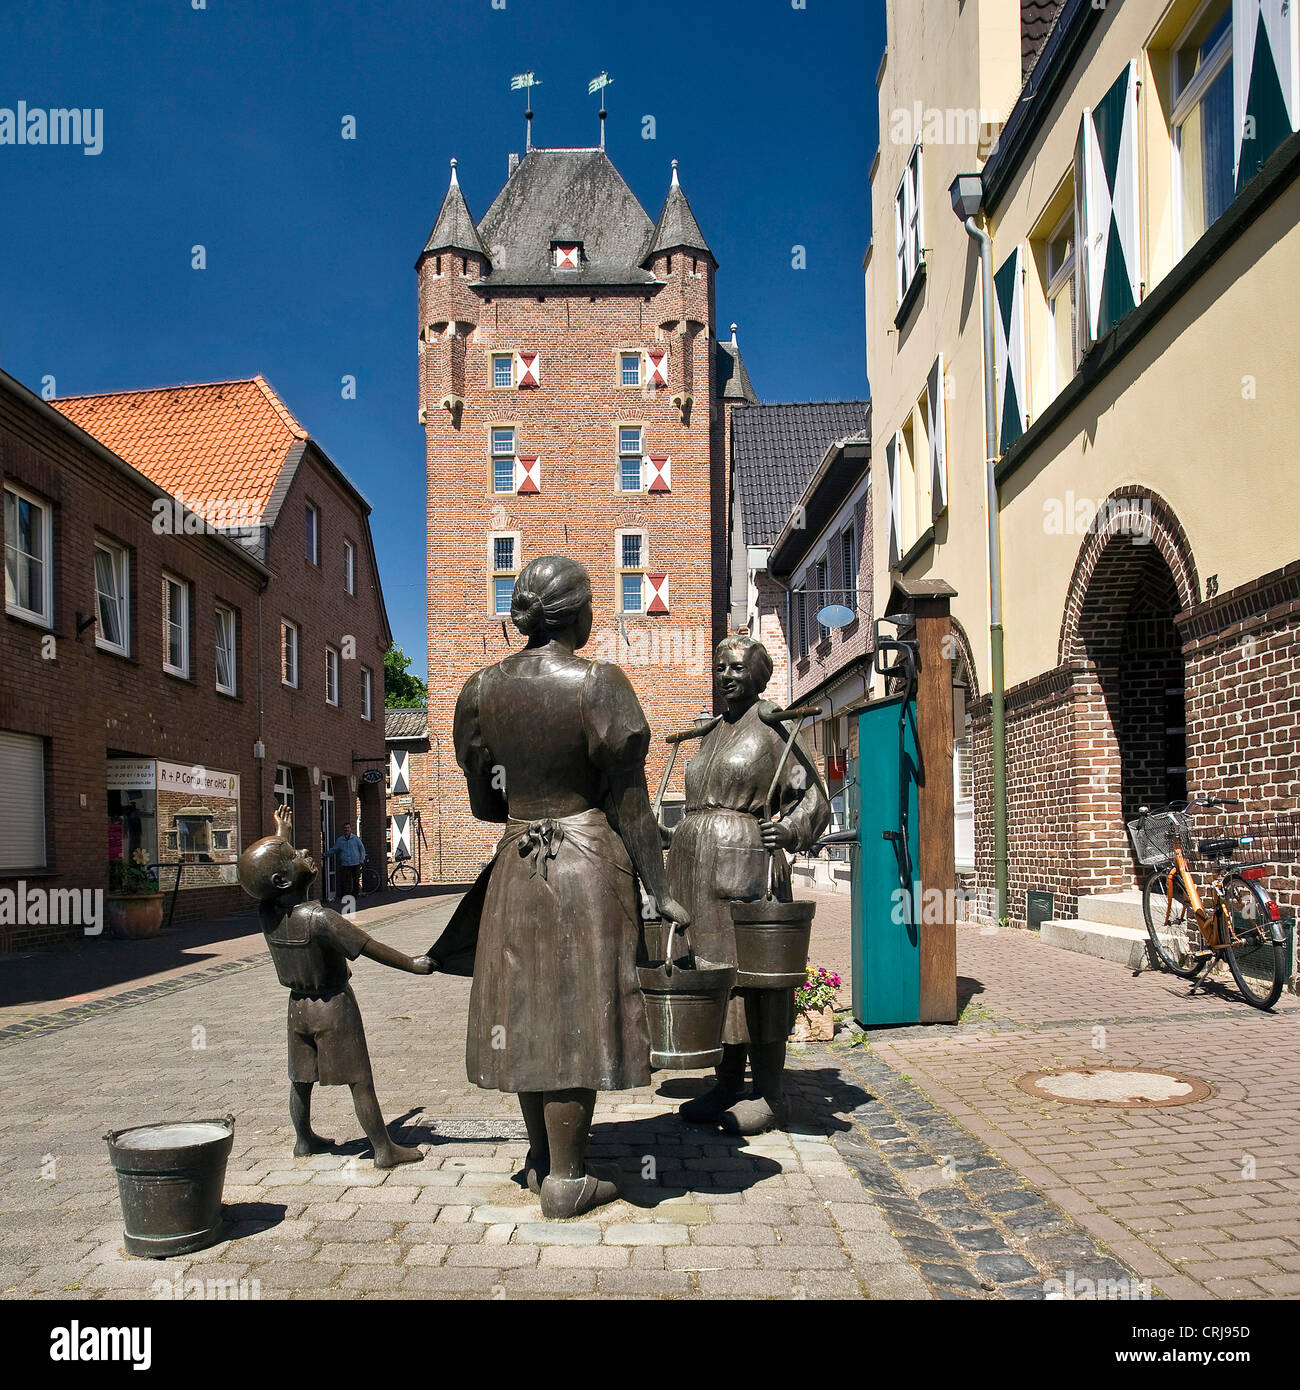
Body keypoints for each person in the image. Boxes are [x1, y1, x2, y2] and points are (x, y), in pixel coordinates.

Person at [452, 555, 691, 1219]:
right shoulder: (598, 684)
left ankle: (544, 1159)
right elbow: (632, 802)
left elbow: (483, 802)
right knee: (574, 1016)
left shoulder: (478, 691)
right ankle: (567, 1177)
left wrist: (530, 806)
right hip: (587, 864)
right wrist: (660, 887)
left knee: (529, 1011)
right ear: (579, 614)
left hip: (517, 864)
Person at [663, 635, 830, 1135]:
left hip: (748, 866)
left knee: (756, 978)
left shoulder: (774, 725)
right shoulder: (712, 732)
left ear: (758, 676)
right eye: (721, 667)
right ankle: (728, 1082)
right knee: (718, 975)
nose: (726, 675)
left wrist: (792, 829)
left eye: (736, 668)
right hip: (696, 866)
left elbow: (814, 796)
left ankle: (772, 1093)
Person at [236, 804, 432, 1168]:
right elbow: (370, 947)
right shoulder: (322, 919)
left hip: (297, 1009)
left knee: (300, 1079)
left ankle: (303, 1139)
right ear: (283, 881)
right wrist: (412, 964)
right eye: (294, 854)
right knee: (360, 1080)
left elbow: (269, 879)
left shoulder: (267, 913)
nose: (304, 852)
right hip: (333, 1007)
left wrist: (282, 831)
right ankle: (384, 1149)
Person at [326, 822, 366, 902]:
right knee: (345, 880)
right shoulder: (340, 840)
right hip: (345, 863)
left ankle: (355, 895)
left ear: (350, 829)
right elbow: (334, 849)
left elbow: (362, 849)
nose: (346, 829)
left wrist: (361, 860)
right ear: (343, 829)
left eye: (348, 828)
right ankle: (345, 895)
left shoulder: (355, 839)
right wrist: (325, 855)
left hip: (355, 862)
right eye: (345, 828)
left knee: (355, 880)